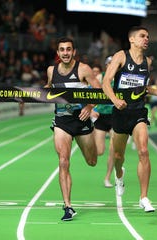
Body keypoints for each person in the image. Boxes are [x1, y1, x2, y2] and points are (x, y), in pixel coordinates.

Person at [102, 26, 157, 212]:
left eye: (148, 36)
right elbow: (105, 82)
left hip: (138, 113)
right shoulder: (121, 56)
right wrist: (115, 100)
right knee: (118, 156)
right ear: (132, 39)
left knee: (143, 151)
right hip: (120, 113)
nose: (146, 39)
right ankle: (119, 176)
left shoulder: (147, 63)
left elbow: (144, 88)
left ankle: (144, 197)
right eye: (142, 36)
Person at [45, 37, 101, 221]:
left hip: (82, 120)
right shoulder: (52, 71)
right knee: (63, 161)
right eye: (62, 50)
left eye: (68, 49)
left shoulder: (83, 69)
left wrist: (90, 106)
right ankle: (68, 206)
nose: (65, 53)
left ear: (73, 52)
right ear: (58, 53)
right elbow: (47, 89)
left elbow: (99, 90)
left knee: (92, 161)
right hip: (62, 121)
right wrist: (29, 95)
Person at [91, 56, 115, 188]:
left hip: (114, 116)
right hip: (101, 116)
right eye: (109, 63)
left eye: (114, 63)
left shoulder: (119, 79)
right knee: (99, 151)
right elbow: (90, 93)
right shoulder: (100, 77)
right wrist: (92, 108)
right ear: (106, 65)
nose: (111, 65)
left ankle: (107, 177)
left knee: (113, 148)